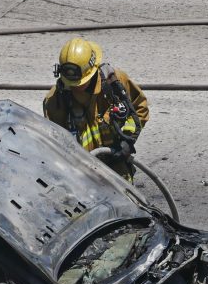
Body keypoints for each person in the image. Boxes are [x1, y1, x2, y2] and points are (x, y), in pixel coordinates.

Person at [43, 38, 149, 181]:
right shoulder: (55, 101)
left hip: (117, 170)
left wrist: (128, 140)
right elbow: (54, 144)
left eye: (80, 82)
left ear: (92, 69)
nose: (76, 87)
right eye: (72, 83)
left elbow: (139, 107)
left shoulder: (114, 83)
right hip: (80, 176)